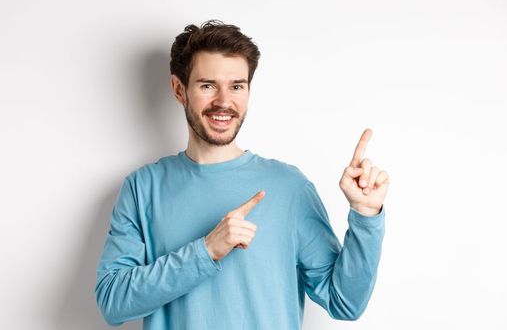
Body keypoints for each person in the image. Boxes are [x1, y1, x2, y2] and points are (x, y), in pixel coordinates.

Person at [94, 20, 390, 329]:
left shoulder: (290, 188)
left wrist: (366, 216)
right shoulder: (143, 188)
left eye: (237, 86)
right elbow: (113, 301)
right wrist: (205, 251)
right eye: (207, 85)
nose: (224, 101)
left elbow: (345, 303)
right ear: (179, 89)